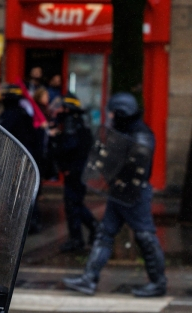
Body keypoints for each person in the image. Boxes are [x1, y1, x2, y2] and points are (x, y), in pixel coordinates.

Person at [63, 92, 166, 297]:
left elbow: (138, 169)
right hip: (119, 193)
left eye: (112, 113)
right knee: (104, 234)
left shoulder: (140, 135)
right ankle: (89, 279)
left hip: (133, 194)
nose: (110, 117)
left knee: (145, 236)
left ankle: (158, 282)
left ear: (121, 112)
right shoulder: (127, 130)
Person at [49, 93, 97, 252]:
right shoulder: (80, 122)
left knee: (72, 204)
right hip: (80, 168)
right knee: (76, 203)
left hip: (74, 169)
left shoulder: (70, 123)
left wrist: (55, 139)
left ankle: (78, 238)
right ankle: (93, 229)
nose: (59, 110)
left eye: (62, 107)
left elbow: (68, 146)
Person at [0, 84, 42, 233]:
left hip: (19, 158)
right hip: (28, 157)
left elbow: (0, 133)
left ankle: (26, 223)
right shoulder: (24, 113)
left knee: (19, 191)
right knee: (25, 191)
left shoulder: (10, 115)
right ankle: (30, 222)